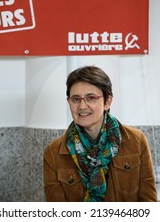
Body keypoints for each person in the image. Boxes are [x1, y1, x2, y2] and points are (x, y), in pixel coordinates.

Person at [43, 66, 157, 202]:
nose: (82, 106)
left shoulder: (136, 141)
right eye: (75, 99)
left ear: (107, 102)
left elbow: (148, 203)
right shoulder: (53, 152)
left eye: (91, 98)